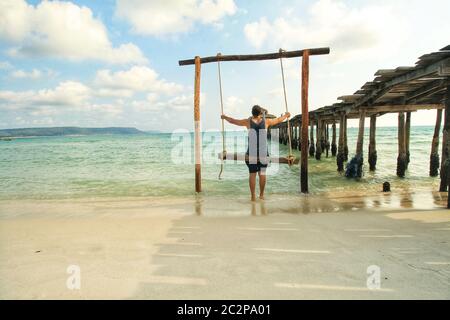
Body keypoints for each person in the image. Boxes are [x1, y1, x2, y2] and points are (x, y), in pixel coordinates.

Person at [221, 105, 291, 201]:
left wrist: (224, 117)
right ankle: (261, 195)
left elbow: (233, 121)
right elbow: (278, 120)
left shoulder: (247, 122)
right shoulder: (266, 121)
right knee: (262, 174)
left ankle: (253, 196)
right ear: (259, 114)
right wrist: (286, 115)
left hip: (251, 153)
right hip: (263, 153)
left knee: (252, 174)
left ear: (252, 113)